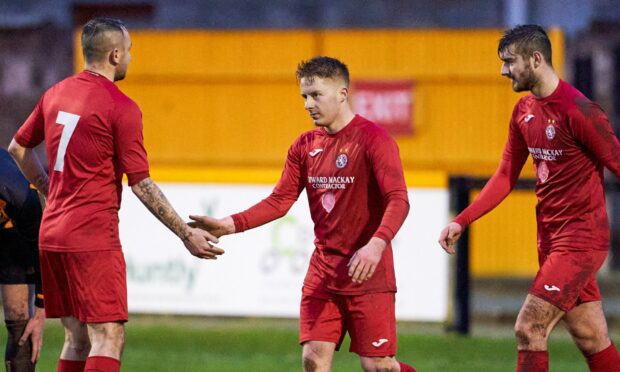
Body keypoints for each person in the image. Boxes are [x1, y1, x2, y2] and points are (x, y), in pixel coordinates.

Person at [8, 17, 224, 372]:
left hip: (53, 234)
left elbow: (18, 148)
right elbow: (141, 183)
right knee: (108, 336)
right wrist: (186, 234)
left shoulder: (56, 93)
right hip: (90, 235)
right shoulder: (120, 107)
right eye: (128, 51)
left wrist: (48, 187)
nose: (130, 57)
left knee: (76, 339)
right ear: (113, 55)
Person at [190, 56, 416, 372]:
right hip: (323, 273)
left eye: (316, 95)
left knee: (379, 367)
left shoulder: (374, 139)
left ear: (342, 93)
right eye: (304, 97)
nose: (308, 104)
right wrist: (228, 225)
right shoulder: (304, 145)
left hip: (367, 275)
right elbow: (279, 201)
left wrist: (376, 244)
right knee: (313, 359)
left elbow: (399, 200)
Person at [438, 25, 620, 372]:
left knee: (529, 326)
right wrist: (462, 219)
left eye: (509, 62)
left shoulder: (581, 111)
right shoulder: (524, 110)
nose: (503, 70)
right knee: (590, 337)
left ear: (536, 60)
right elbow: (506, 175)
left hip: (581, 241)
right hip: (551, 242)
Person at [0, 148, 45, 371]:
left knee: (19, 318)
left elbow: (40, 250)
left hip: (10, 230)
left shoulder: (20, 196)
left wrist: (41, 307)